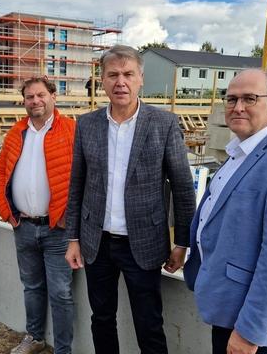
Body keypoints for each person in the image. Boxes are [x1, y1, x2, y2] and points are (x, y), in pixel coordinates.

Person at [64, 45, 196, 354]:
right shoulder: (86, 125)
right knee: (102, 318)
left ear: (140, 79)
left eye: (128, 74)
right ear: (102, 80)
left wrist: (182, 242)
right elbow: (77, 184)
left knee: (149, 323)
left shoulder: (163, 124)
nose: (120, 82)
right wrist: (73, 238)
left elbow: (182, 186)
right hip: (97, 242)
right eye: (113, 75)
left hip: (145, 242)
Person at [183, 69, 267, 354]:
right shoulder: (240, 151)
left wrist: (250, 331)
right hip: (229, 305)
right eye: (231, 99)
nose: (238, 107)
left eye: (250, 98)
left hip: (252, 322)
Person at [0, 77, 76, 354]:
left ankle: (63, 349)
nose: (35, 101)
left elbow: (85, 176)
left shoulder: (71, 130)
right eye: (30, 97)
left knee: (61, 293)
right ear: (24, 101)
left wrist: (70, 216)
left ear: (53, 96)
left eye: (41, 95)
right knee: (31, 287)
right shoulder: (17, 132)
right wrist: (7, 212)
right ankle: (35, 338)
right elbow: (0, 172)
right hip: (24, 226)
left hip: (58, 229)